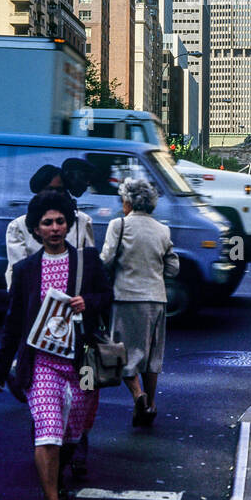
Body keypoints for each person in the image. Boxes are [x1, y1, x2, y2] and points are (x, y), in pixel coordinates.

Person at [0, 189, 112, 500]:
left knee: (74, 432)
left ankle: (57, 476)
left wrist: (87, 301)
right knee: (47, 431)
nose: (55, 228)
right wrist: (1, 367)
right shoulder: (27, 269)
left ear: (68, 224)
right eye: (48, 223)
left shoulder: (87, 262)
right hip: (41, 362)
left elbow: (107, 297)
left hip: (82, 364)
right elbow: (14, 320)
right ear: (36, 229)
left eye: (60, 221)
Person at [100, 177, 179, 428]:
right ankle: (152, 404)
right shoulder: (162, 230)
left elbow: (105, 260)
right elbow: (173, 268)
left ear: (128, 202)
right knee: (152, 354)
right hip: (157, 299)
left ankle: (138, 395)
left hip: (127, 297)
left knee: (123, 352)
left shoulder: (118, 225)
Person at [6, 162, 94, 290]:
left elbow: (90, 267)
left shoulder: (82, 221)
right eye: (49, 190)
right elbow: (19, 271)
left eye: (59, 190)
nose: (55, 195)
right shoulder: (18, 226)